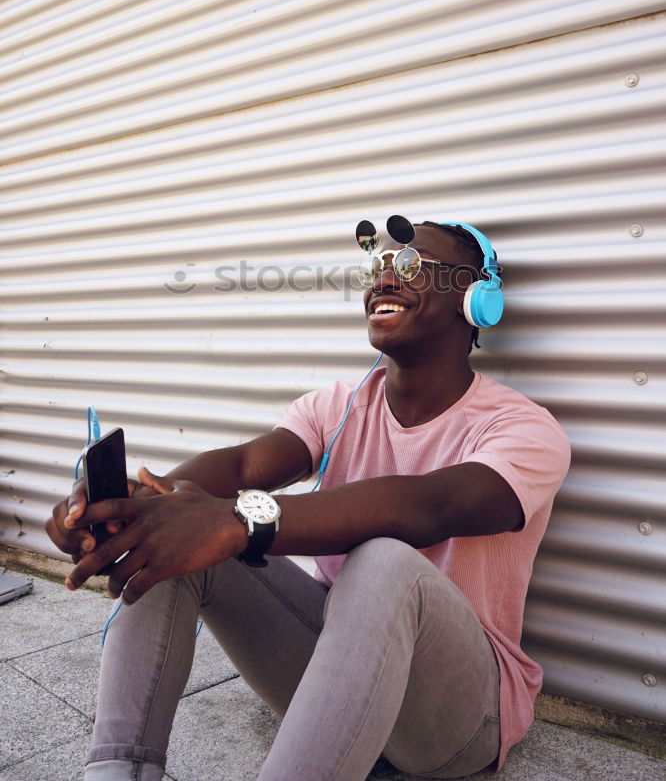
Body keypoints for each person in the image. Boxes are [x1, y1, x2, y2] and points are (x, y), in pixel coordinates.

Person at [46, 218, 570, 781]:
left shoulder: (523, 429)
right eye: (379, 266)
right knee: (174, 529)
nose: (386, 278)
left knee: (385, 556)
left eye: (413, 266)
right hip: (339, 679)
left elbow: (424, 508)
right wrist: (132, 510)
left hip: (456, 725)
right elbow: (247, 465)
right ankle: (116, 770)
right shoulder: (337, 404)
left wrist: (238, 520)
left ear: (476, 299)